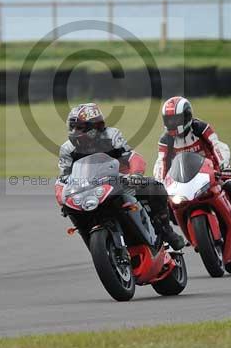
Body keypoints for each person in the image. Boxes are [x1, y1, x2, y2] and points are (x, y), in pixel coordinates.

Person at [58, 102, 186, 250]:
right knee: (71, 210)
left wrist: (136, 175)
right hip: (88, 189)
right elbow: (64, 177)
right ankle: (97, 247)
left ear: (94, 127)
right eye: (72, 127)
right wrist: (62, 196)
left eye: (79, 127)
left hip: (120, 181)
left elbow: (131, 157)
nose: (74, 131)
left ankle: (166, 230)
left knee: (155, 187)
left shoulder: (111, 136)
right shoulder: (67, 149)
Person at [152, 96, 231, 228]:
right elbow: (161, 162)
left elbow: (217, 146)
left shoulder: (200, 128)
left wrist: (224, 167)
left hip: (212, 173)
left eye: (176, 119)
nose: (172, 123)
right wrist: (160, 184)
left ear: (187, 116)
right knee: (167, 204)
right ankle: (179, 232)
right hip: (184, 180)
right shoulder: (166, 139)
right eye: (169, 120)